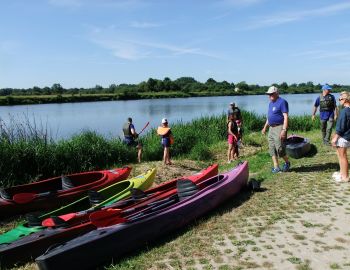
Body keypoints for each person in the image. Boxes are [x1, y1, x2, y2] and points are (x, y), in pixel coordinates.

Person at [261, 86, 291, 173]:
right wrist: (265, 127)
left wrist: (284, 130)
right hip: (271, 128)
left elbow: (285, 116)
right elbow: (269, 117)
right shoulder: (270, 103)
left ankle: (287, 162)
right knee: (271, 148)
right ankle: (276, 167)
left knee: (279, 148)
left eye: (271, 94)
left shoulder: (282, 102)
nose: (269, 96)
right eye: (268, 94)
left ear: (277, 93)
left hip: (279, 127)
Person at [331, 91, 350, 183]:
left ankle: (345, 177)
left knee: (342, 156)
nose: (339, 101)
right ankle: (342, 174)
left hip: (343, 137)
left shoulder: (344, 111)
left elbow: (341, 126)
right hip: (347, 136)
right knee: (342, 156)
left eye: (341, 99)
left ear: (346, 99)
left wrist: (335, 138)